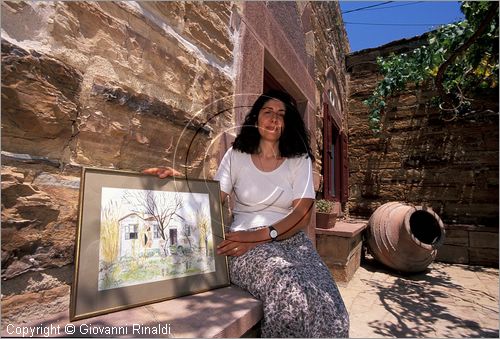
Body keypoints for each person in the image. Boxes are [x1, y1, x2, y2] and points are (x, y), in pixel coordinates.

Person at [144, 90, 349, 338]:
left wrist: (266, 234)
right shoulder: (236, 154)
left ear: (288, 123)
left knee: (328, 300)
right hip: (243, 242)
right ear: (256, 117)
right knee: (289, 290)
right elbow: (213, 197)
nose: (274, 119)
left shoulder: (299, 158)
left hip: (291, 239)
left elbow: (301, 214)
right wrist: (179, 182)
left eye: (281, 115)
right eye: (268, 112)